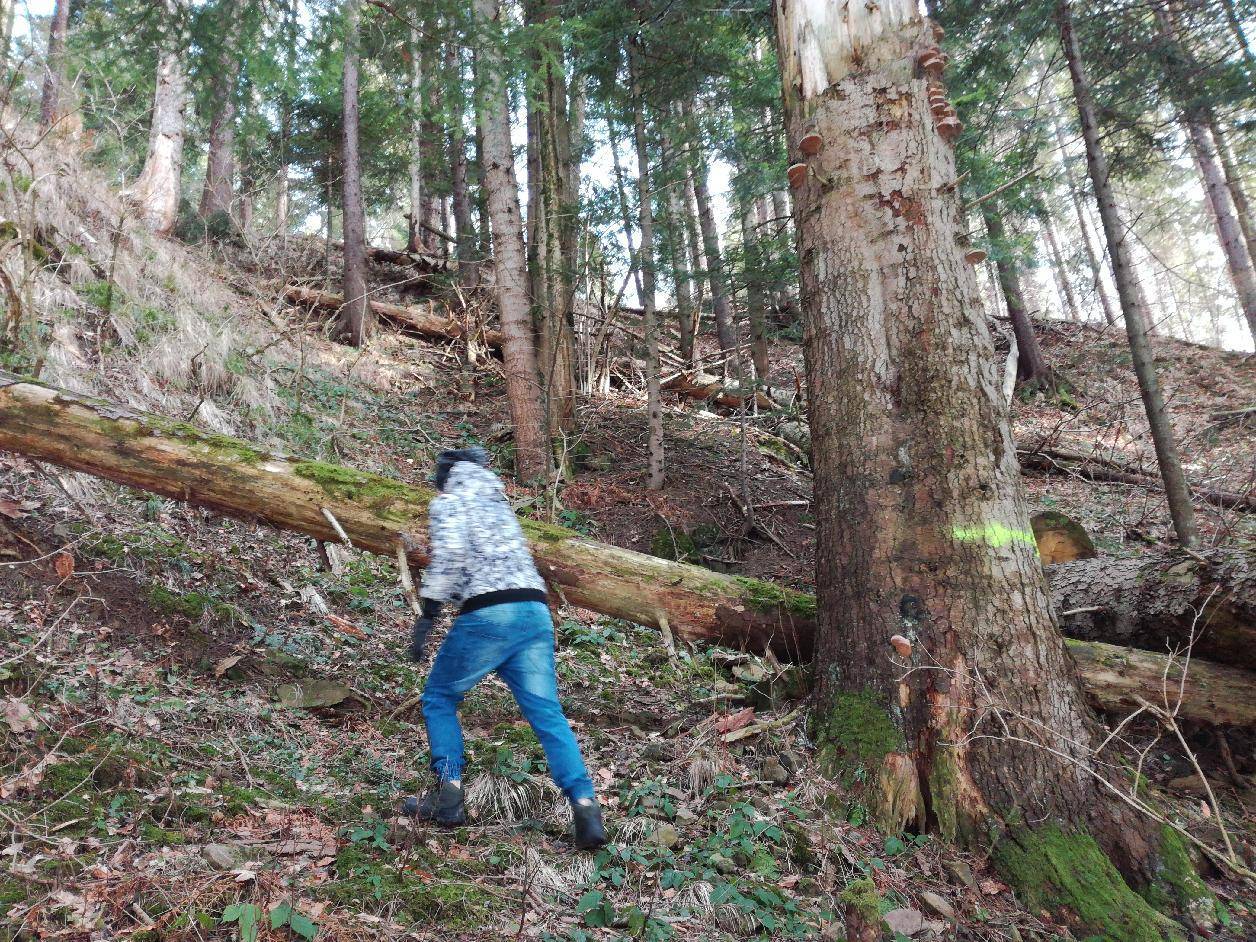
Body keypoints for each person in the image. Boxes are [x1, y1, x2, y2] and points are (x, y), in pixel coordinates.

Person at [402, 447, 607, 849]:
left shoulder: (450, 502)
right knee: (547, 714)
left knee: (439, 697)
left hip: (490, 615)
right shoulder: (498, 503)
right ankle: (585, 806)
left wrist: (428, 615)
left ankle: (448, 794)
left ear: (445, 476)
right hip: (534, 612)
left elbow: (451, 557)